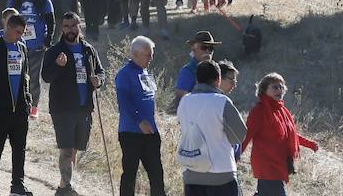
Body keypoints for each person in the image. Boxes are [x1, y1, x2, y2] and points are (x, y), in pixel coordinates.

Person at [42, 13, 104, 196]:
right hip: (62, 109)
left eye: (73, 26)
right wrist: (58, 66)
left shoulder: (88, 50)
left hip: (84, 108)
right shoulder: (54, 51)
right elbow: (46, 77)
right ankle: (68, 187)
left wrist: (98, 81)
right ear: (62, 28)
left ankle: (62, 187)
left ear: (79, 26)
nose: (70, 30)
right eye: (66, 26)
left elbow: (101, 72)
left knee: (75, 150)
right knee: (66, 150)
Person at [177, 60, 247, 196]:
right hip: (221, 173)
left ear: (196, 79)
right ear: (218, 79)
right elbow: (240, 135)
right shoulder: (222, 101)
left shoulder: (184, 101)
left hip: (191, 172)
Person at [242, 73, 319, 196]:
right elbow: (247, 135)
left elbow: (290, 134)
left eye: (281, 87)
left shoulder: (281, 110)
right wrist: (235, 155)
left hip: (279, 163)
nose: (280, 90)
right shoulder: (259, 111)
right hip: (266, 164)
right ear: (264, 90)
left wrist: (309, 144)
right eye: (275, 87)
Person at [0, 14, 33, 196]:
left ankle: (17, 185)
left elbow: (26, 75)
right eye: (18, 32)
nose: (20, 36)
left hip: (20, 108)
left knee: (19, 147)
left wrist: (27, 99)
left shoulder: (21, 48)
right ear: (9, 28)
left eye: (22, 33)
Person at [115, 36, 165, 196]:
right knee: (130, 174)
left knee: (157, 173)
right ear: (135, 54)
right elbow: (124, 102)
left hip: (150, 132)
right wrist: (139, 121)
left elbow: (149, 99)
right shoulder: (124, 74)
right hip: (131, 132)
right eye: (147, 55)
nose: (151, 58)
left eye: (151, 54)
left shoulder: (145, 72)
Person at [8, 0, 55, 120]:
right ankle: (17, 103)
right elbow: (8, 19)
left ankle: (33, 106)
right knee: (16, 76)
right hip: (17, 45)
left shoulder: (43, 0)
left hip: (37, 46)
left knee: (33, 77)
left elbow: (51, 21)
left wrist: (47, 41)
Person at [174, 31, 220, 107]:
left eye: (211, 48)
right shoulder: (187, 71)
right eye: (204, 47)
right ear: (193, 48)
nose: (208, 51)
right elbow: (180, 99)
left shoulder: (216, 69)